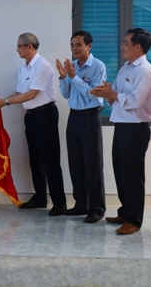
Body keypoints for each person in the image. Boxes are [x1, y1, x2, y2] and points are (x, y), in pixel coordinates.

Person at [0, 32, 67, 216]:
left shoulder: (43, 66)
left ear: (29, 47)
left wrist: (6, 103)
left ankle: (59, 203)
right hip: (31, 116)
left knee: (50, 159)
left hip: (45, 115)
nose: (17, 50)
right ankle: (40, 198)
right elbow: (19, 92)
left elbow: (32, 94)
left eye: (19, 46)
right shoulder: (23, 67)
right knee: (35, 158)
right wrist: (1, 101)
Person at [91, 28, 151, 235]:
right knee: (121, 172)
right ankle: (125, 212)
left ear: (138, 47)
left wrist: (114, 94)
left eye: (126, 43)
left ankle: (134, 220)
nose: (122, 46)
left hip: (135, 129)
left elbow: (136, 102)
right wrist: (107, 94)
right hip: (121, 126)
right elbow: (117, 98)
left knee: (133, 176)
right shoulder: (125, 68)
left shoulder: (145, 70)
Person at [55, 31, 107, 223]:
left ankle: (96, 208)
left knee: (92, 164)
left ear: (89, 46)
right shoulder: (73, 66)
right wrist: (63, 78)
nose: (74, 49)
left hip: (90, 118)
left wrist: (74, 77)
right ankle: (81, 204)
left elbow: (93, 93)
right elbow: (67, 94)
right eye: (72, 45)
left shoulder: (98, 66)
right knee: (75, 163)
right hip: (74, 118)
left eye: (78, 45)